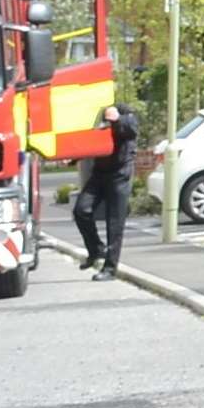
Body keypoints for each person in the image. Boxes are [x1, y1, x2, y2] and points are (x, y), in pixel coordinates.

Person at [73, 103, 139, 281]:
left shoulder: (124, 110)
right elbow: (89, 139)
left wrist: (117, 119)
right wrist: (73, 157)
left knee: (114, 222)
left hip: (120, 172)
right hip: (100, 172)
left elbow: (132, 129)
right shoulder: (94, 112)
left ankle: (110, 268)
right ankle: (96, 250)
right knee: (81, 210)